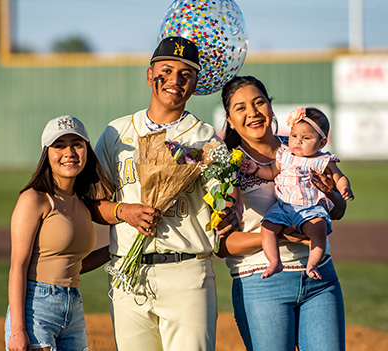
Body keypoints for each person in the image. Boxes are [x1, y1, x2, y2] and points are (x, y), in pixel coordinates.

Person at [91, 36, 242, 351]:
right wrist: (123, 211)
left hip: (187, 275)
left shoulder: (205, 139)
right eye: (167, 70)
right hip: (127, 275)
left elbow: (222, 198)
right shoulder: (117, 132)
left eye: (186, 74)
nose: (175, 80)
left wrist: (226, 208)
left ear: (195, 83)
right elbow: (93, 203)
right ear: (149, 75)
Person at [217, 76, 347, 351]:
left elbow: (339, 211)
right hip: (262, 282)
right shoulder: (227, 164)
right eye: (240, 108)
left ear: (271, 107)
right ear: (229, 119)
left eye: (258, 102)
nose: (252, 112)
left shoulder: (301, 145)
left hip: (321, 278)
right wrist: (281, 236)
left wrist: (332, 193)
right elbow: (222, 245)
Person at [5, 115, 114, 351]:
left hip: (73, 307)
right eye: (59, 145)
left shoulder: (83, 204)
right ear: (47, 153)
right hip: (36, 309)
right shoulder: (34, 199)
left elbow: (75, 265)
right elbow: (18, 266)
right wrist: (17, 331)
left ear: (87, 149)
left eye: (77, 144)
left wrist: (116, 250)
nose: (69, 152)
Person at [241, 106, 354, 279]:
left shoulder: (322, 160)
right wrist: (256, 169)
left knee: (319, 229)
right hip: (283, 206)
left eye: (306, 138)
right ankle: (274, 262)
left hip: (310, 208)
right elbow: (271, 172)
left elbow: (339, 177)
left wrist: (344, 188)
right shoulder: (284, 155)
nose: (297, 141)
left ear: (322, 143)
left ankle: (312, 265)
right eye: (294, 136)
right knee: (267, 227)